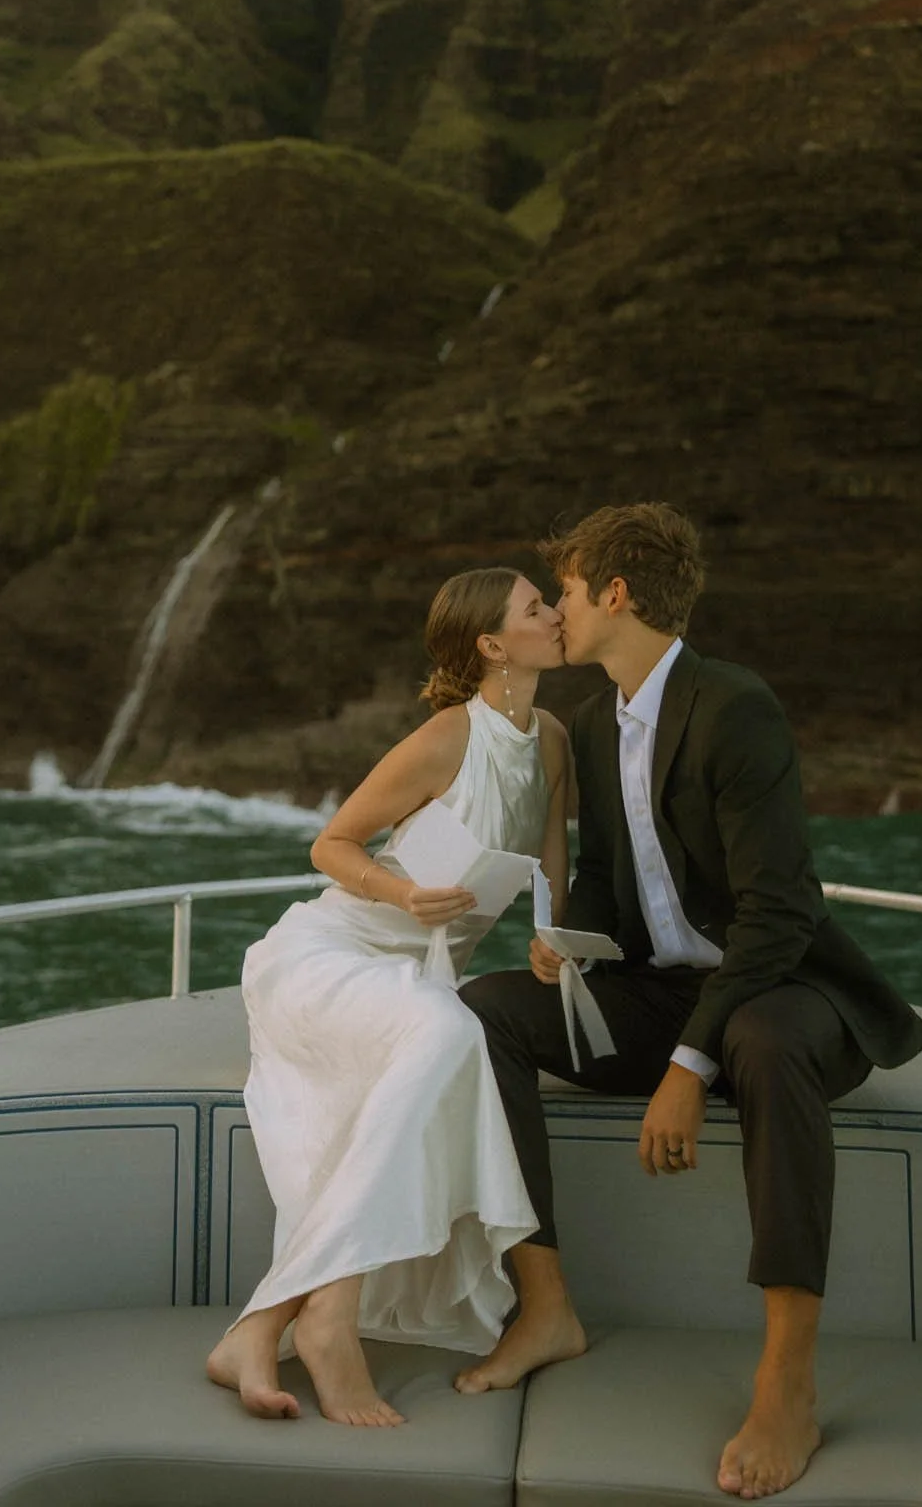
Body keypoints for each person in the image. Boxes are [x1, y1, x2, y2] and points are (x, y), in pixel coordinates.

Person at [457, 503, 922, 1501]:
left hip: (785, 989)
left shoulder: (734, 704)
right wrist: (571, 942)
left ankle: (788, 1378)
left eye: (573, 592)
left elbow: (777, 913)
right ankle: (544, 1303)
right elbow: (598, 869)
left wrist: (688, 1061)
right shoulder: (590, 723)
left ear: (617, 594)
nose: (563, 612)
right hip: (657, 988)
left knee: (757, 1035)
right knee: (485, 1007)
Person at [207, 566, 570, 1426]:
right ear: (491, 644)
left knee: (444, 1032)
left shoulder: (552, 737)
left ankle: (261, 1326)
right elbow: (329, 845)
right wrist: (401, 894)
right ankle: (328, 1320)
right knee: (451, 1036)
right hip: (331, 955)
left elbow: (555, 860)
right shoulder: (447, 738)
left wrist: (551, 933)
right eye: (534, 608)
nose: (555, 614)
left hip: (416, 976)